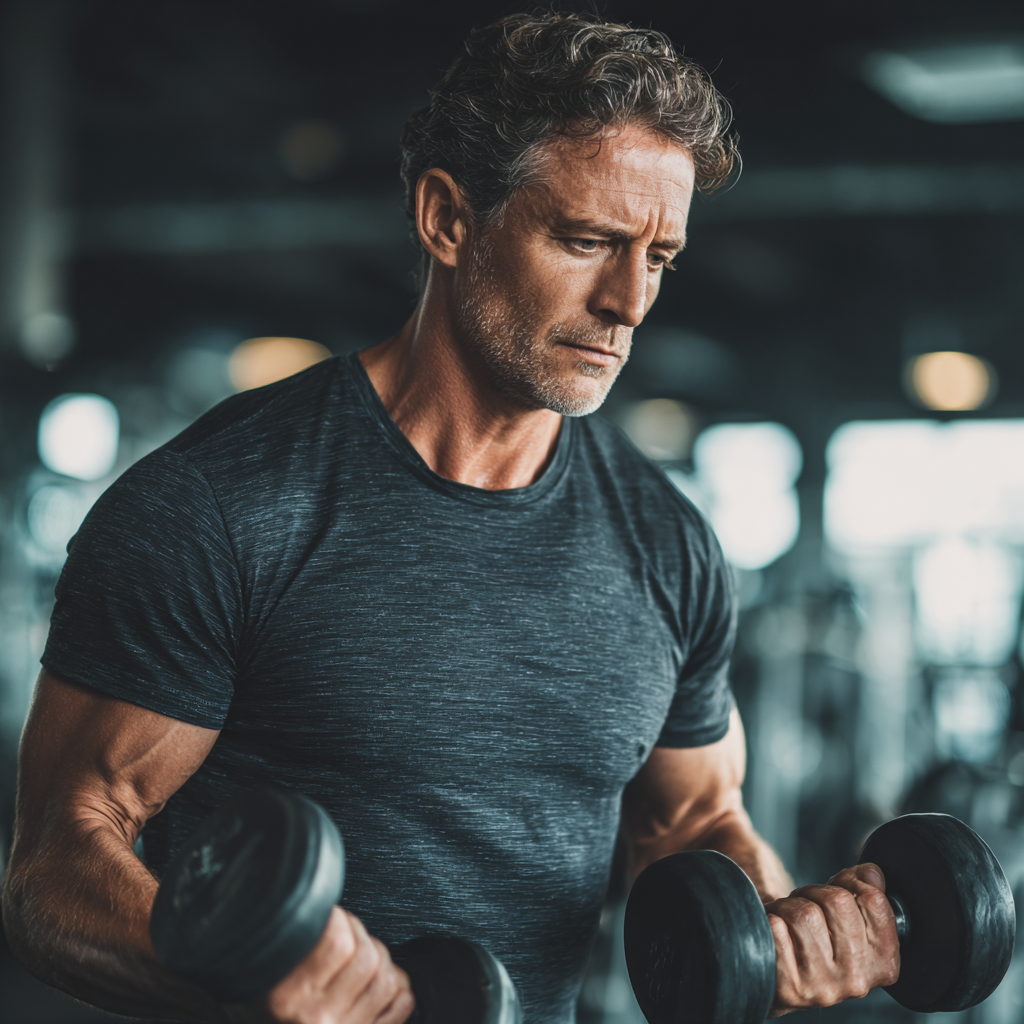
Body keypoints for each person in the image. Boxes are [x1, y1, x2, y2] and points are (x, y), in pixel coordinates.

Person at [2, 12, 899, 1024]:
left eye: (659, 257)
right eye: (588, 240)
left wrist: (781, 926)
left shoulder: (668, 543)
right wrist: (249, 976)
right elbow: (55, 869)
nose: (629, 301)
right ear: (448, 218)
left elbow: (694, 819)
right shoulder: (220, 506)